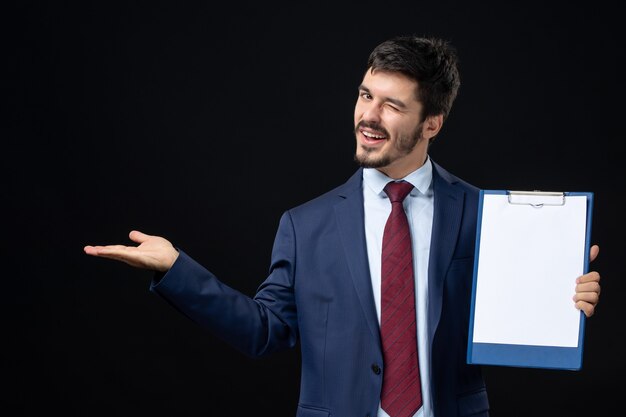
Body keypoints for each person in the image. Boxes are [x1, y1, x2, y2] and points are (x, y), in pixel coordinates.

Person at [84, 34, 602, 417]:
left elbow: (514, 313)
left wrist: (563, 295)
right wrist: (177, 268)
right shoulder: (304, 226)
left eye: (392, 105)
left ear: (432, 124)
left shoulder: (483, 213)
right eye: (364, 95)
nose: (368, 116)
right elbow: (266, 331)